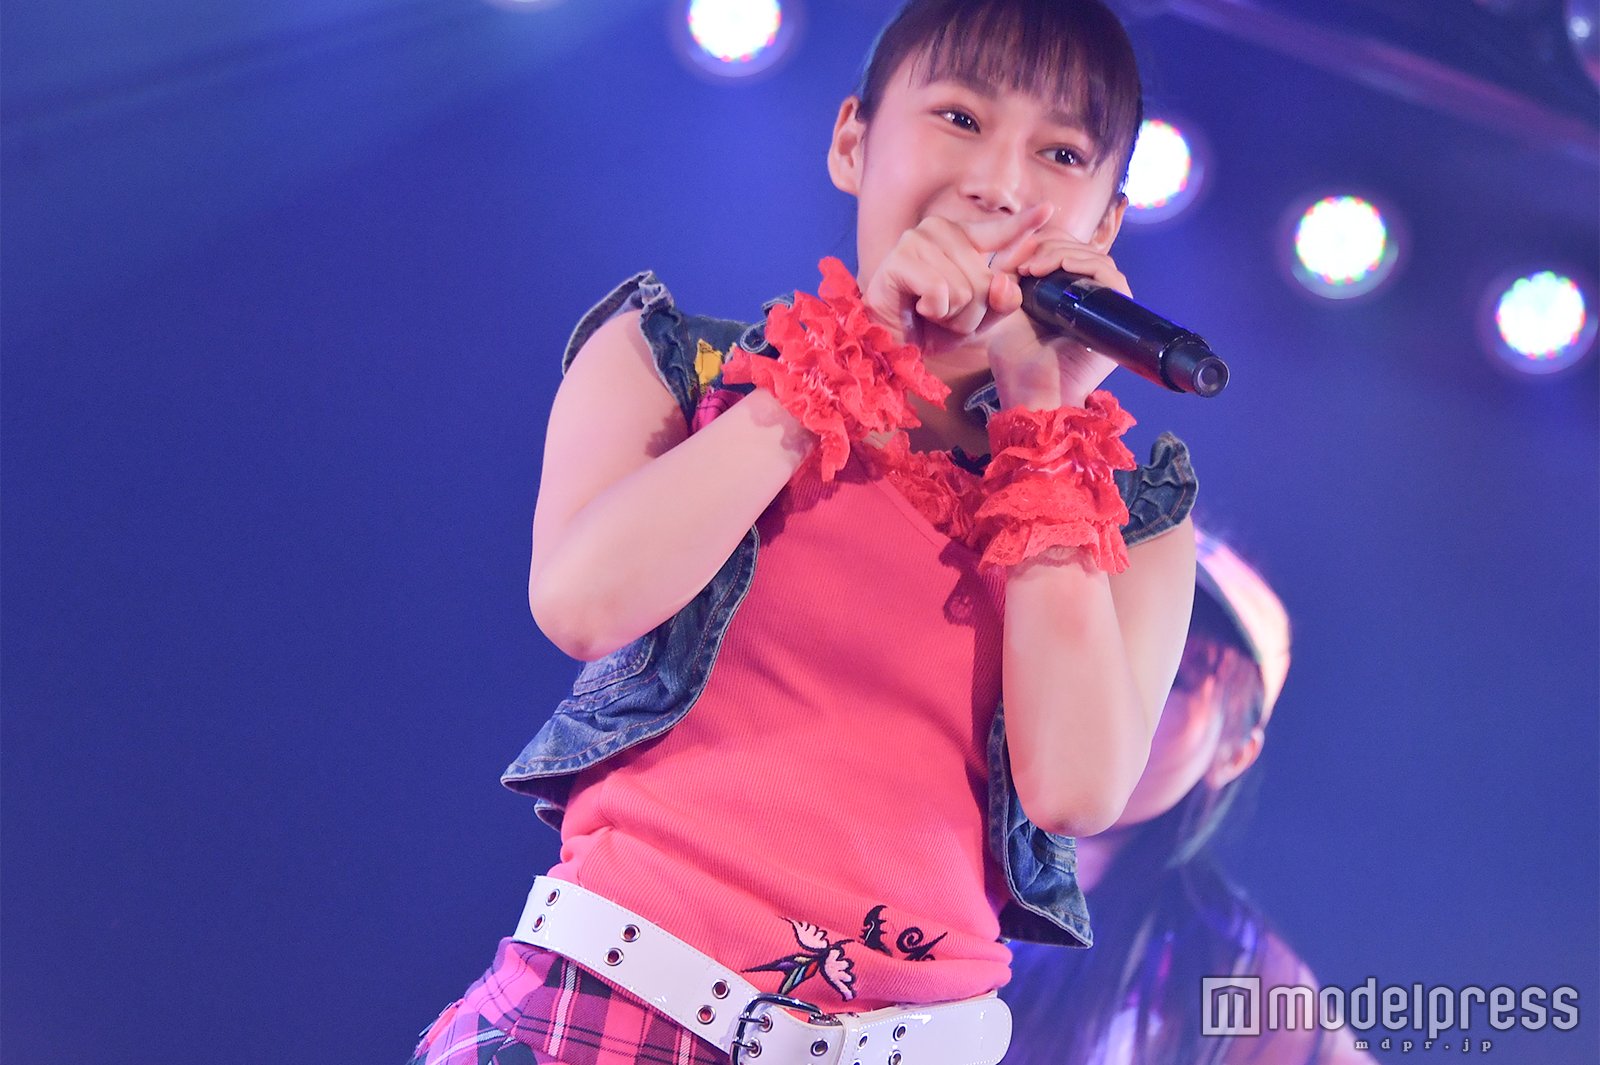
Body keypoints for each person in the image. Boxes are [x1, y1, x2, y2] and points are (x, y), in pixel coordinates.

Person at [408, 3, 1202, 1063]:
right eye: (961, 118)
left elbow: (1075, 790)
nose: (1000, 185)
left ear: (1103, 228)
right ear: (852, 142)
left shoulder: (1128, 517)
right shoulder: (679, 368)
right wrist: (845, 358)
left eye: (1060, 153)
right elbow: (583, 603)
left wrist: (1040, 417)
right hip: (605, 1015)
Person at [1000, 530, 1377, 1065]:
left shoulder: (1235, 974)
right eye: (1114, 635)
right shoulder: (930, 817)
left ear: (1234, 754)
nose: (1122, 684)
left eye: (1175, 676)